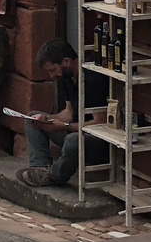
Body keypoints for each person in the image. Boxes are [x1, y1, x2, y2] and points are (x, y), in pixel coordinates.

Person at [17, 38, 107, 188]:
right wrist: (47, 119)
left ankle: (53, 176)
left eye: (52, 70)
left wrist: (65, 127)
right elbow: (69, 112)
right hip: (74, 129)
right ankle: (40, 168)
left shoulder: (92, 79)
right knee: (32, 118)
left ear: (66, 61)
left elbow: (100, 122)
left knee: (73, 141)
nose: (52, 76)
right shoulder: (68, 78)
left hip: (97, 140)